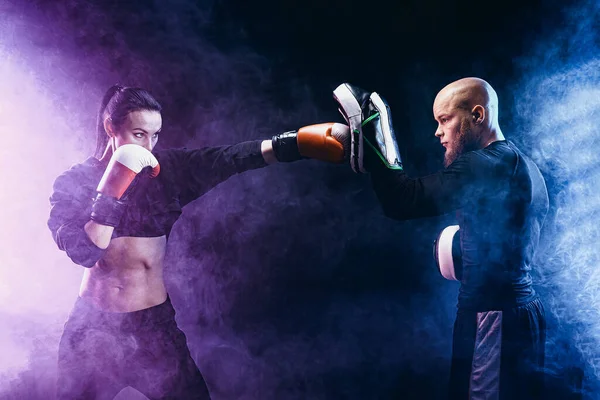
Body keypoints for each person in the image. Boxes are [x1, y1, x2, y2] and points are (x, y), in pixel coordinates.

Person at [47, 85, 349, 399]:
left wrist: (293, 144)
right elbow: (85, 252)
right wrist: (111, 188)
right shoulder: (74, 183)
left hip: (151, 328)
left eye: (156, 134)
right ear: (111, 127)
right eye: (139, 134)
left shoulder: (167, 173)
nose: (149, 146)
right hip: (92, 327)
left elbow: (228, 158)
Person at [333, 78, 549, 399]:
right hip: (519, 316)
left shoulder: (484, 164)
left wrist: (374, 128)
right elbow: (508, 247)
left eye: (445, 120)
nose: (438, 132)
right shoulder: (521, 164)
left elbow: (401, 200)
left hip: (492, 321)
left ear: (477, 116)